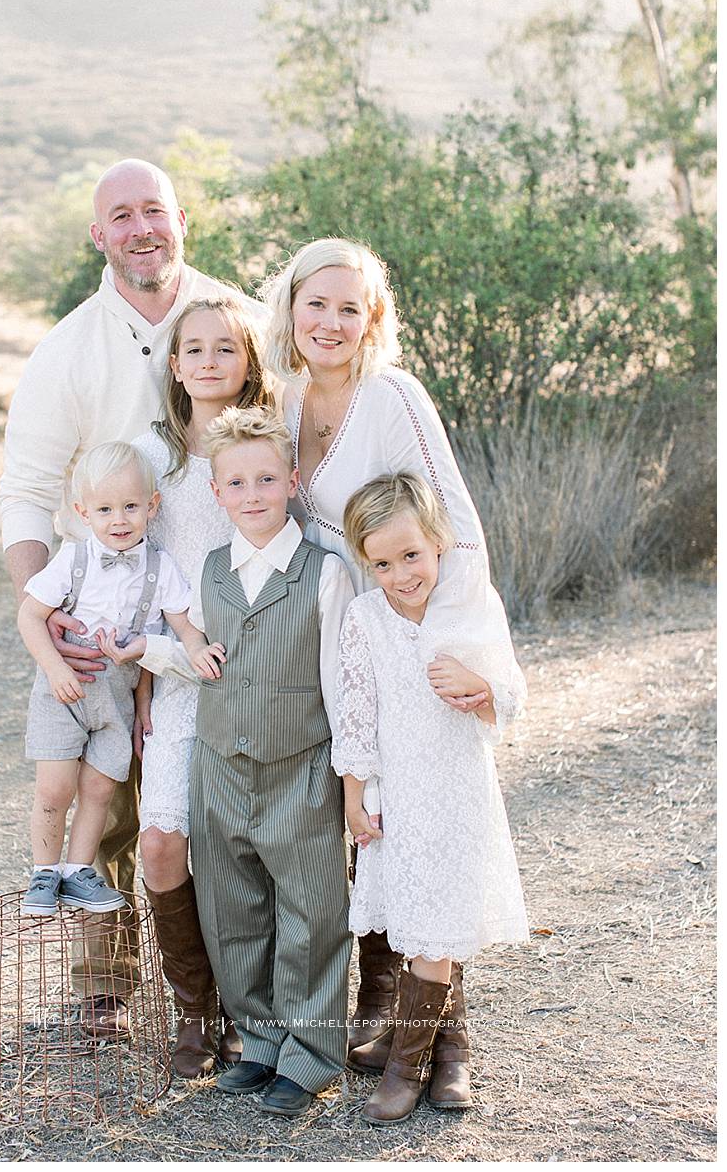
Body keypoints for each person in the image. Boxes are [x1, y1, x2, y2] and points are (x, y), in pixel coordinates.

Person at [0, 158, 264, 1030]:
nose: (141, 227)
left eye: (155, 209)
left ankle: (233, 989)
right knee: (102, 800)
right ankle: (103, 987)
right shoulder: (66, 350)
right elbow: (29, 492)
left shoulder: (238, 321)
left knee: (222, 801)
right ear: (98, 235)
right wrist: (48, 612)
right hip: (99, 613)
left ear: (183, 218)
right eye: (122, 214)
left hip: (217, 608)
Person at [262, 236, 496, 1092]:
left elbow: (460, 530)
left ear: (372, 322)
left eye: (348, 308)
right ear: (290, 306)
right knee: (368, 826)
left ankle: (450, 1046)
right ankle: (385, 1012)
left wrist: (455, 653)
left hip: (407, 640)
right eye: (315, 303)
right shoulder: (282, 399)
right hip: (329, 642)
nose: (329, 321)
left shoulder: (393, 396)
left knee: (425, 828)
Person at [117, 406, 355, 1117]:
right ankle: (257, 1041)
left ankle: (308, 1056)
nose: (253, 494)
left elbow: (343, 686)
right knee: (234, 910)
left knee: (310, 913)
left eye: (265, 479)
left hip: (302, 767)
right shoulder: (209, 572)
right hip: (221, 768)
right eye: (237, 483)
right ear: (216, 493)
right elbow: (200, 660)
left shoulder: (323, 573)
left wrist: (350, 780)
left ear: (291, 480)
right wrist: (148, 654)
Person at [334, 472, 529, 1124]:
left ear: (439, 544)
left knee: (437, 930)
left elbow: (511, 689)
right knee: (421, 924)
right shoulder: (365, 619)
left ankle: (410, 1065)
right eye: (382, 563)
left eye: (411, 555)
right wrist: (354, 793)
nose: (400, 574)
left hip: (457, 790)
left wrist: (479, 683)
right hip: (400, 791)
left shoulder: (467, 606)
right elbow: (356, 716)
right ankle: (448, 1048)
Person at [127, 295, 275, 1077]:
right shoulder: (155, 462)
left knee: (250, 851)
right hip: (183, 675)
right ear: (175, 365)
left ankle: (260, 1011)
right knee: (161, 840)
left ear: (248, 359)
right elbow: (137, 574)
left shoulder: (268, 443)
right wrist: (148, 677)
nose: (211, 360)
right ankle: (195, 1011)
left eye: (227, 347)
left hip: (268, 675)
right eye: (195, 348)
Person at [17, 441, 211, 918]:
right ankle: (44, 871)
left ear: (153, 506)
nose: (119, 519)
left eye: (130, 507)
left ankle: (78, 871)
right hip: (64, 691)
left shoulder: (160, 566)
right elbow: (29, 617)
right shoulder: (73, 559)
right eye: (105, 509)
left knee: (101, 791)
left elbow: (180, 624)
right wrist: (56, 668)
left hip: (117, 700)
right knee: (55, 789)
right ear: (84, 512)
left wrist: (196, 650)